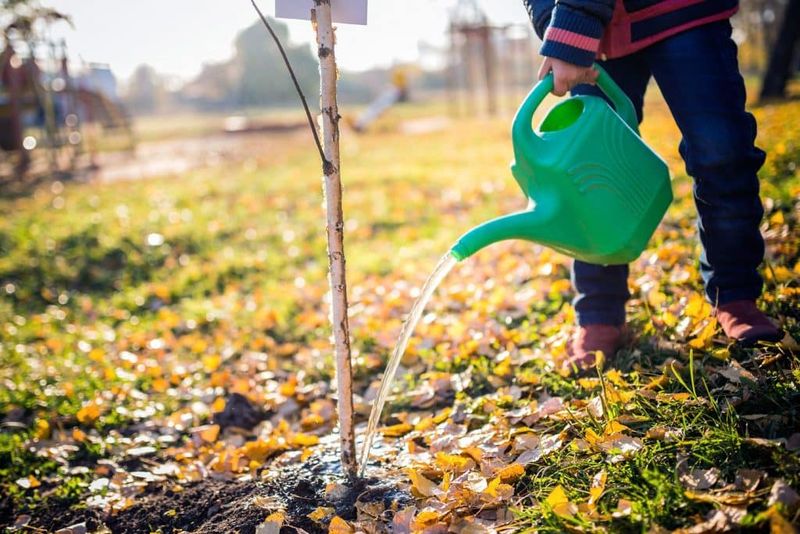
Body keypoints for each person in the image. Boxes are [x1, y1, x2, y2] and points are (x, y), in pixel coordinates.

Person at [522, 0, 783, 370]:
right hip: (601, 36)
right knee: (591, 175)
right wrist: (557, 22)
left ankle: (736, 294)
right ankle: (598, 313)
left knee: (722, 151)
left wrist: (572, 26)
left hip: (681, 11)